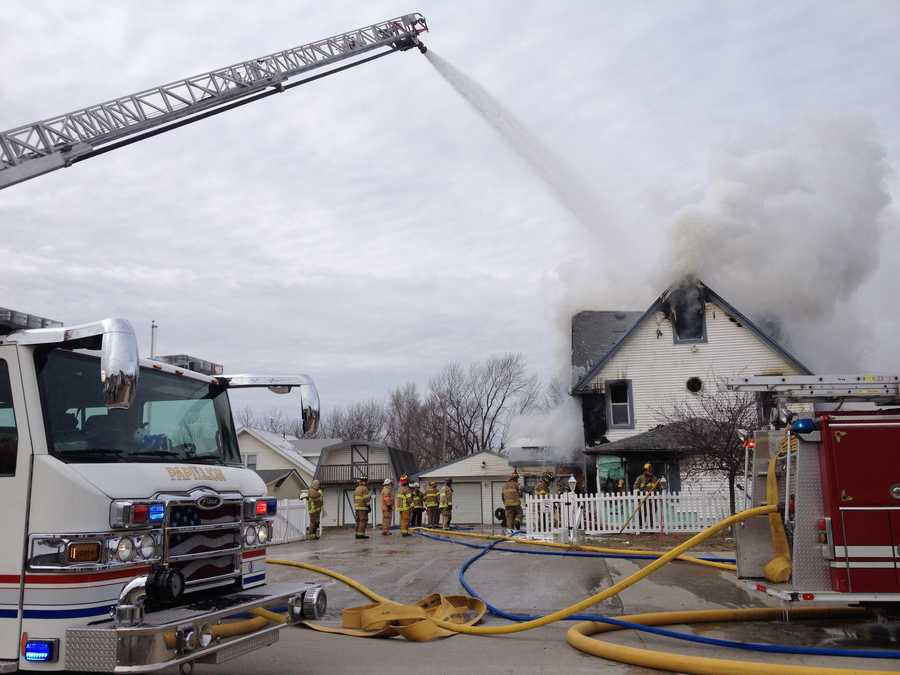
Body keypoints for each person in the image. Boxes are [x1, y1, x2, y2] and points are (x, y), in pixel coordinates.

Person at [353, 474, 371, 539]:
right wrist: (369, 506)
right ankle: (361, 534)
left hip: (357, 508)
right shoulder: (365, 488)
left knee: (358, 521)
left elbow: (354, 498)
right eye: (367, 481)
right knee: (363, 521)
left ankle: (357, 533)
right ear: (365, 481)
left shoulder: (357, 488)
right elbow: (366, 499)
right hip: (363, 508)